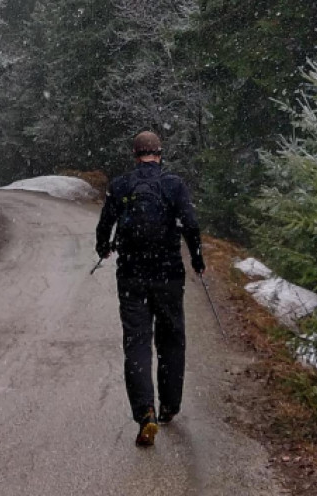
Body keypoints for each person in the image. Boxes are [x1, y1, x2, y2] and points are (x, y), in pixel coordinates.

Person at [95, 131, 205, 446]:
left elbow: (105, 226)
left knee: (137, 344)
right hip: (168, 276)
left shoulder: (120, 186)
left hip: (131, 277)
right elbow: (191, 225)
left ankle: (145, 412)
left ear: (135, 154)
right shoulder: (174, 185)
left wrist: (103, 247)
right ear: (159, 154)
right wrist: (196, 259)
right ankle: (170, 406)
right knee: (171, 340)